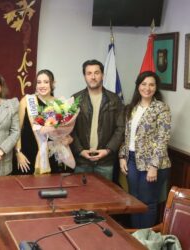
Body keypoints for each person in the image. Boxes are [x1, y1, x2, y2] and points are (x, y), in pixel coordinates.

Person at [119, 71, 171, 228]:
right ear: (138, 86)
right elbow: (127, 136)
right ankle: (136, 238)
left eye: (151, 84)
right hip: (132, 160)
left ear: (156, 88)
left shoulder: (161, 108)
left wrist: (154, 166)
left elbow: (163, 138)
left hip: (152, 165)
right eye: (144, 84)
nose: (147, 88)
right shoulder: (132, 108)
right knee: (134, 200)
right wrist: (122, 156)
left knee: (148, 202)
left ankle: (145, 240)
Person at [70, 59, 124, 180]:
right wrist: (80, 151)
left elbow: (121, 128)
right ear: (84, 76)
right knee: (80, 196)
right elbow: (70, 129)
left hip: (105, 161)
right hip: (81, 161)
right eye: (89, 73)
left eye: (96, 73)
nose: (93, 77)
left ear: (102, 75)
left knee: (104, 197)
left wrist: (108, 150)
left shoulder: (114, 99)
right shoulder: (75, 99)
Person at [14, 69, 73, 175]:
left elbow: (63, 131)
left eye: (46, 82)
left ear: (53, 83)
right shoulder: (27, 101)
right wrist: (18, 152)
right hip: (27, 155)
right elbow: (16, 129)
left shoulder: (59, 104)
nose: (42, 85)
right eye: (39, 82)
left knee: (48, 188)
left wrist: (66, 139)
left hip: (49, 154)